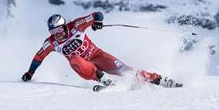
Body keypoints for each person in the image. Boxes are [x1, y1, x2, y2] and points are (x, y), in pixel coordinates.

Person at [21, 12, 182, 88]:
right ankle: (102, 79)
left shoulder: (76, 26)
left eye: (60, 30)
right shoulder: (51, 43)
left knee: (126, 71)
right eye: (54, 32)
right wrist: (30, 73)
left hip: (98, 55)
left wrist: (98, 22)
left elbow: (96, 14)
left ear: (64, 26)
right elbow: (38, 58)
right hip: (84, 67)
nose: (59, 34)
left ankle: (159, 80)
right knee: (75, 60)